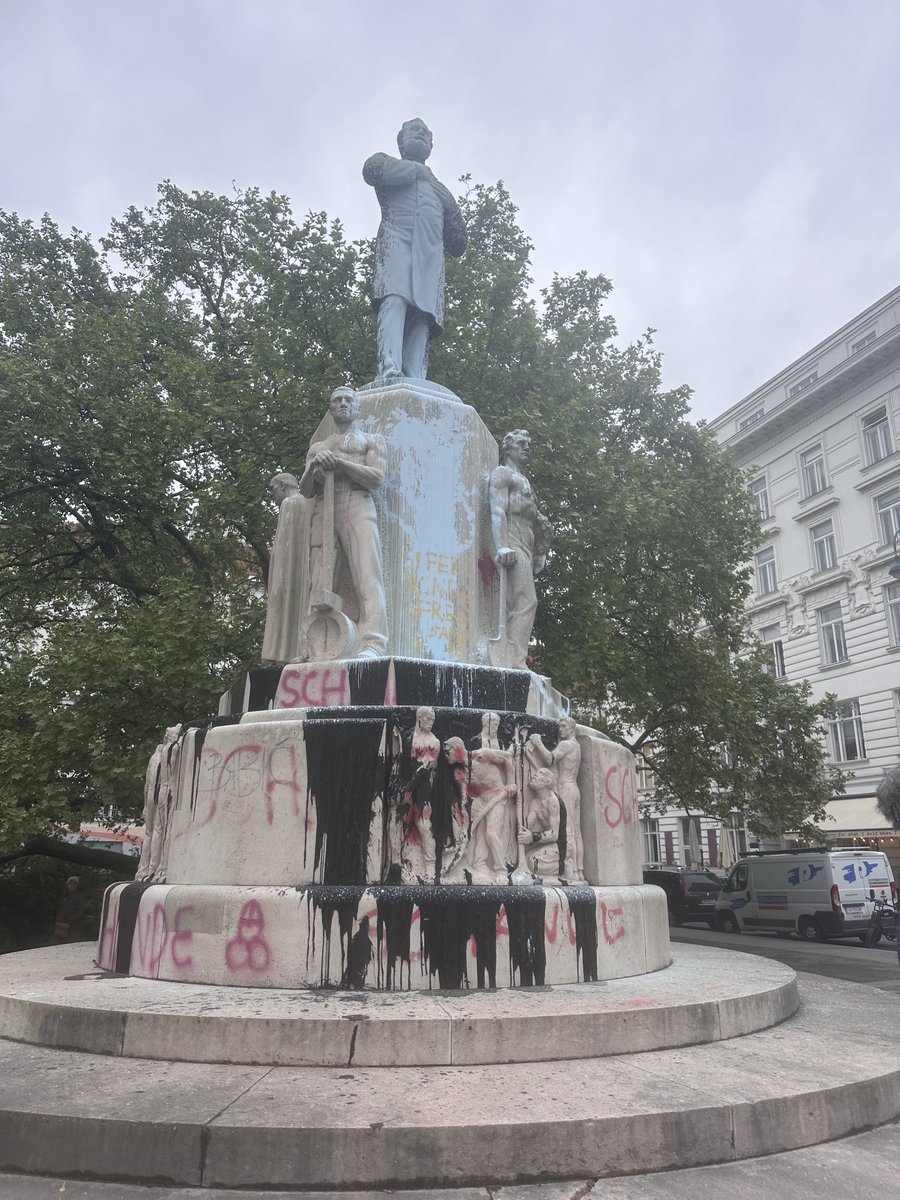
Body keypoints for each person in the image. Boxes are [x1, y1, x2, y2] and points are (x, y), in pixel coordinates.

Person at [363, 118, 467, 381]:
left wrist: (452, 206)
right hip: (396, 243)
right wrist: (414, 171)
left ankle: (415, 375)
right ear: (401, 141)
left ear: (432, 145)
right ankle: (389, 366)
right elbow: (371, 171)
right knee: (394, 300)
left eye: (425, 134)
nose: (420, 135)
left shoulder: (440, 190)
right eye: (414, 131)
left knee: (423, 315)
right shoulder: (389, 165)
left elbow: (458, 244)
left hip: (431, 256)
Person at [299, 388, 388, 659]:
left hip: (357, 503)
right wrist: (315, 467)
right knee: (320, 581)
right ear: (331, 410)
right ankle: (313, 646)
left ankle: (373, 643)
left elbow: (376, 477)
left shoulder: (372, 441)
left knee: (366, 575)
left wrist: (339, 463)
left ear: (358, 409)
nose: (343, 404)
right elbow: (305, 490)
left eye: (348, 400)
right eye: (337, 401)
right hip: (324, 506)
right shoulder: (318, 448)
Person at [489, 430, 552, 668]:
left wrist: (541, 551)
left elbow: (537, 520)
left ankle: (511, 656)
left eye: (529, 444)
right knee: (527, 599)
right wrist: (502, 546)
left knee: (517, 600)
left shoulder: (525, 481)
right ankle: (514, 661)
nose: (527, 447)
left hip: (526, 542)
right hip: (512, 539)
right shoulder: (503, 474)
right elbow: (497, 510)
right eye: (521, 444)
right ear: (508, 448)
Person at [525, 717, 584, 883]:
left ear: (572, 728)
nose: (560, 730)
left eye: (564, 726)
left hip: (565, 787)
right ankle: (579, 871)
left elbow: (550, 759)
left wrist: (537, 743)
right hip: (574, 788)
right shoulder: (577, 746)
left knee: (569, 830)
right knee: (576, 832)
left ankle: (569, 870)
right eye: (560, 727)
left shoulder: (566, 745)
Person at [261, 473, 308, 666]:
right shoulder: (307, 503)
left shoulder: (291, 503)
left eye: (273, 490)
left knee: (283, 608)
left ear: (282, 484)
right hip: (300, 574)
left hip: (287, 573)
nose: (273, 496)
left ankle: (280, 653)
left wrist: (276, 577)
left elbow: (284, 546)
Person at [51, 876, 88, 943]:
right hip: (61, 925)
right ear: (67, 885)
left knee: (72, 944)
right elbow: (60, 909)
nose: (72, 886)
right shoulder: (65, 896)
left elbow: (80, 911)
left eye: (74, 884)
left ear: (77, 885)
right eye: (70, 884)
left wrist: (70, 920)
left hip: (74, 926)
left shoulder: (79, 897)